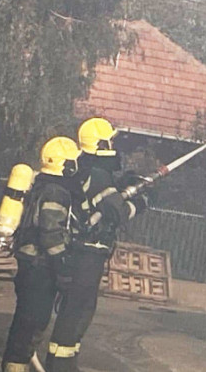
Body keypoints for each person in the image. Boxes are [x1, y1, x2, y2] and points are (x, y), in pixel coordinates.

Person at [43, 117, 148, 372]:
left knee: (77, 309)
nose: (113, 143)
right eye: (110, 139)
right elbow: (118, 212)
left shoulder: (84, 168)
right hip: (88, 251)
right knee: (78, 311)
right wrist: (143, 202)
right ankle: (60, 366)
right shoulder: (99, 175)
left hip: (80, 250)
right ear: (101, 143)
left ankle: (65, 363)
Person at [1, 137, 82, 372]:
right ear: (68, 165)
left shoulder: (40, 183)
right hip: (41, 265)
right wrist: (62, 266)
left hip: (28, 260)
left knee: (25, 320)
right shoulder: (57, 191)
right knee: (32, 322)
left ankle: (15, 365)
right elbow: (51, 232)